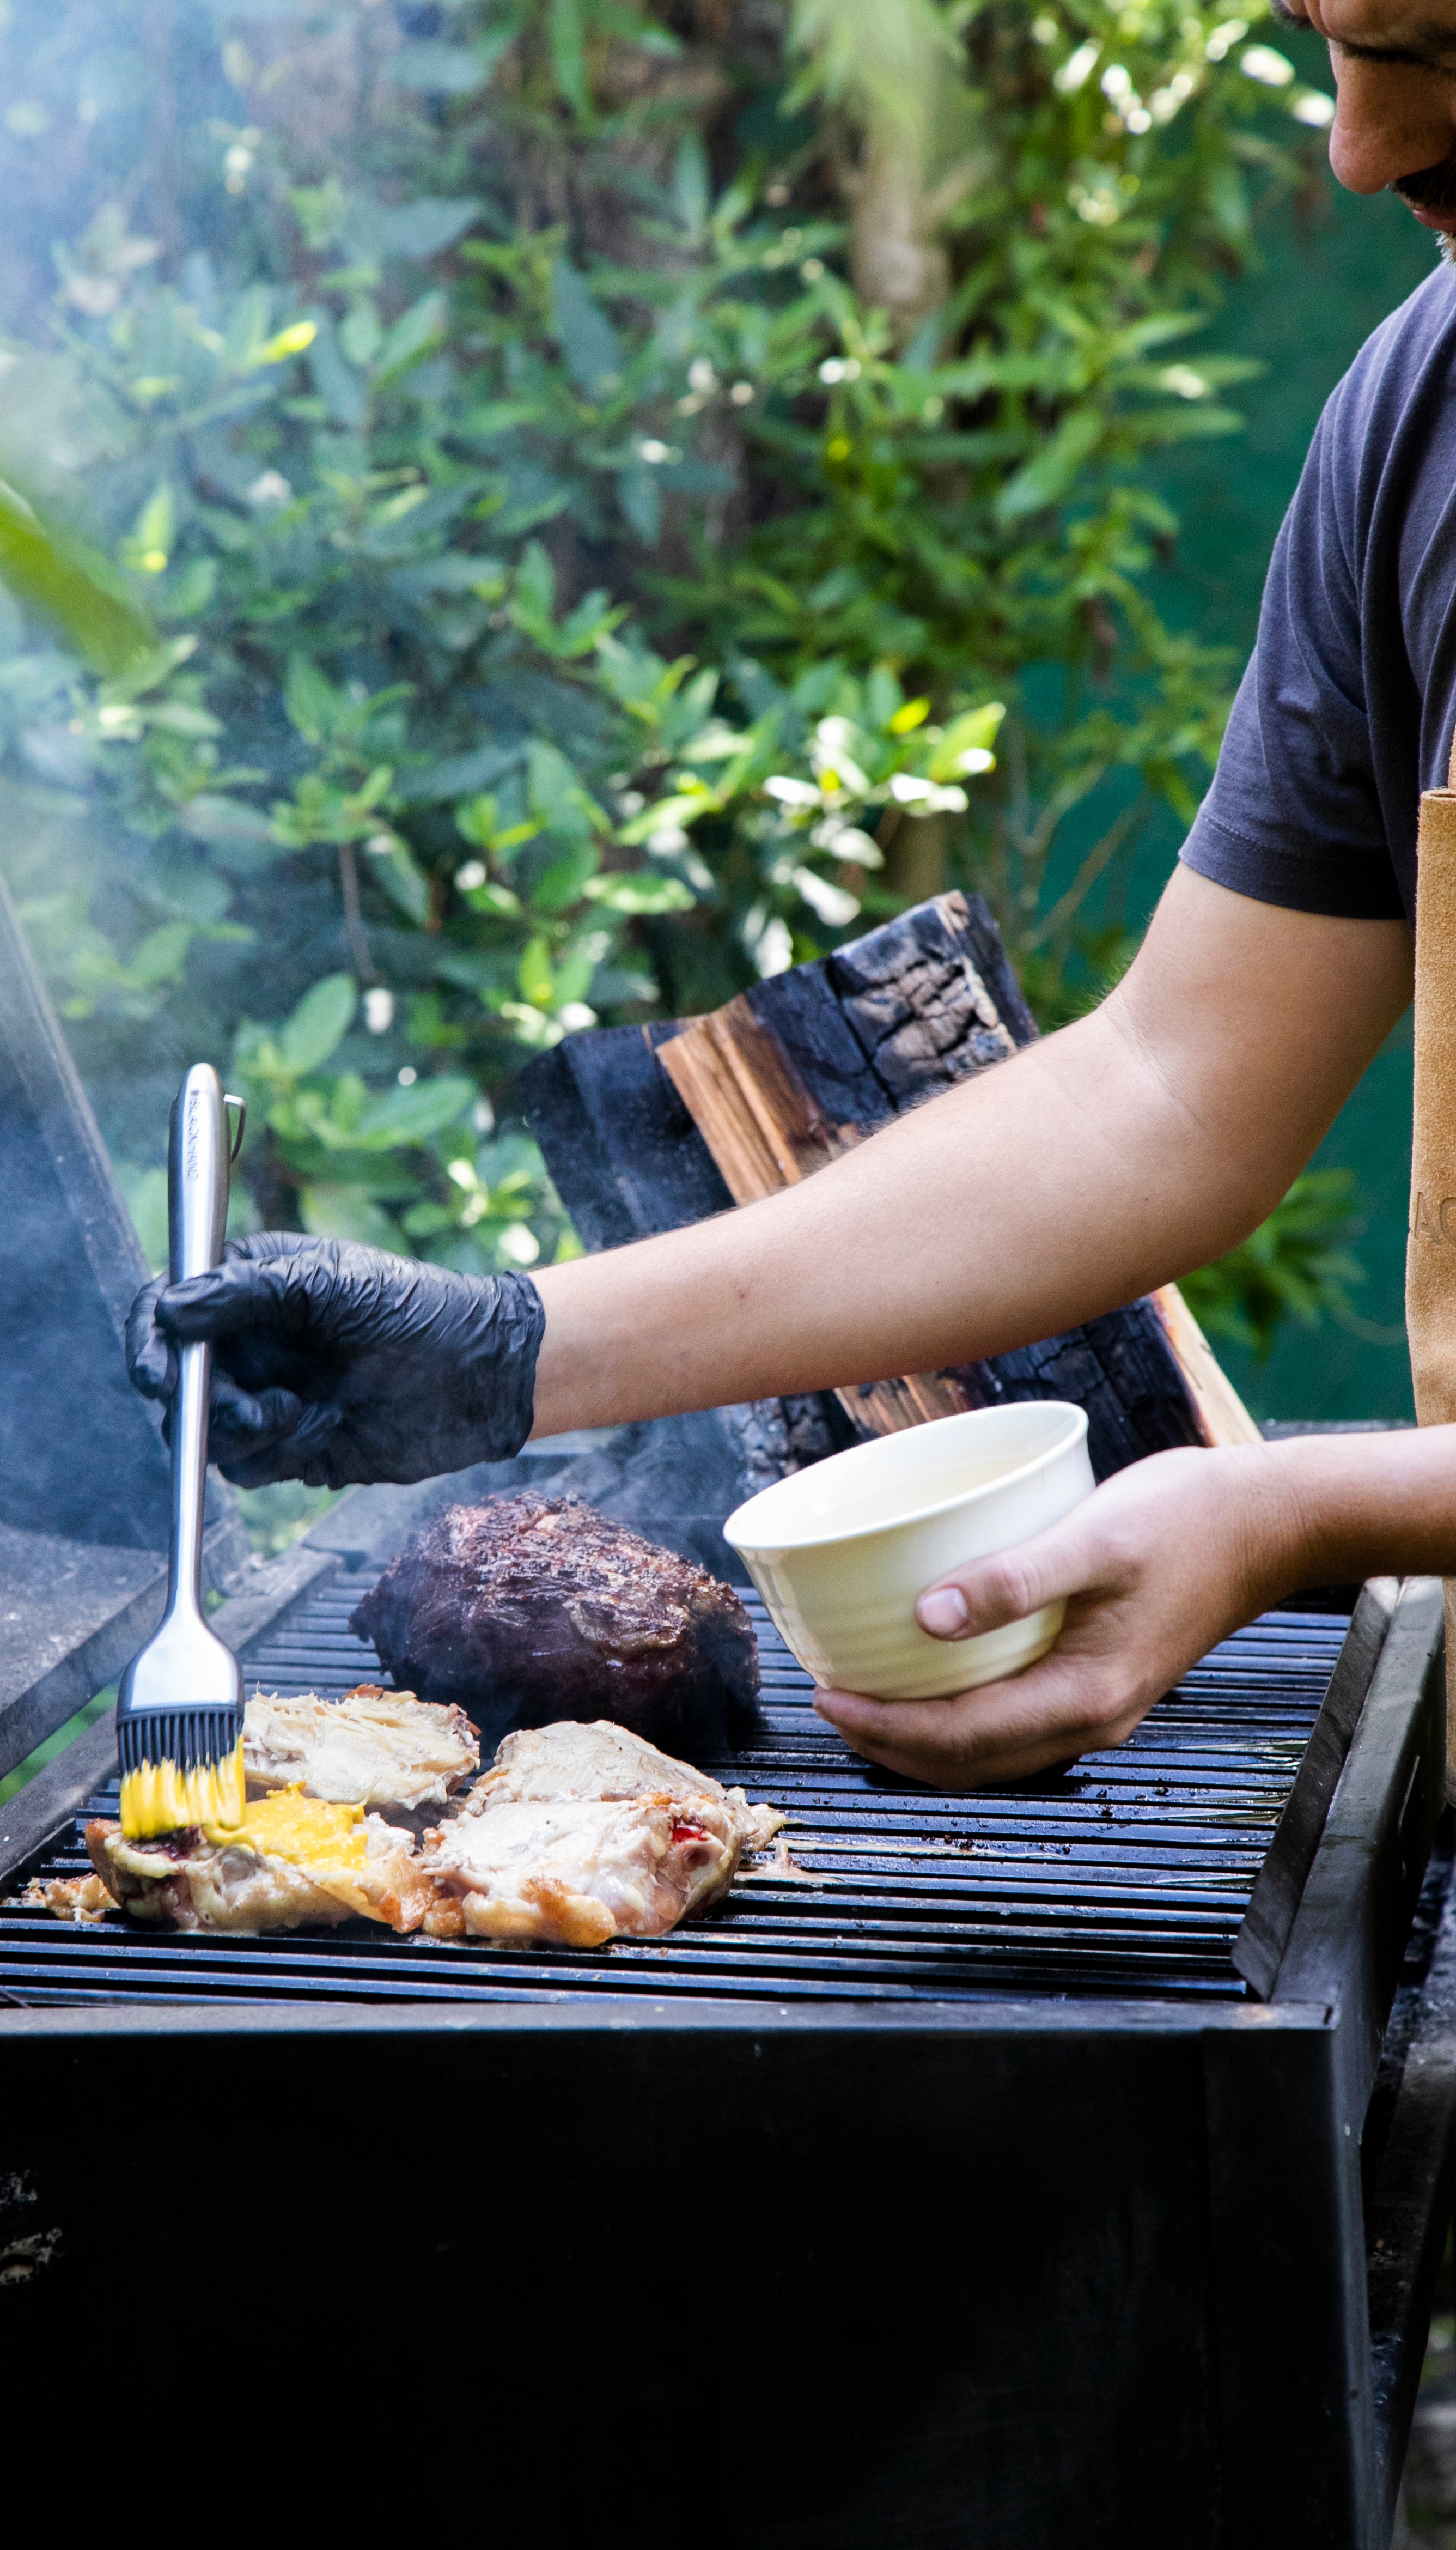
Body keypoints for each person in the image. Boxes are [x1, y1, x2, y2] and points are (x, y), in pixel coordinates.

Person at [130, 0, 1456, 1790]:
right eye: (1330, 40)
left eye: (1442, 49)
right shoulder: (1424, 416)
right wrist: (516, 1351)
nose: (1359, 147)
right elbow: (1176, 1090)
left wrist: (1297, 1508)